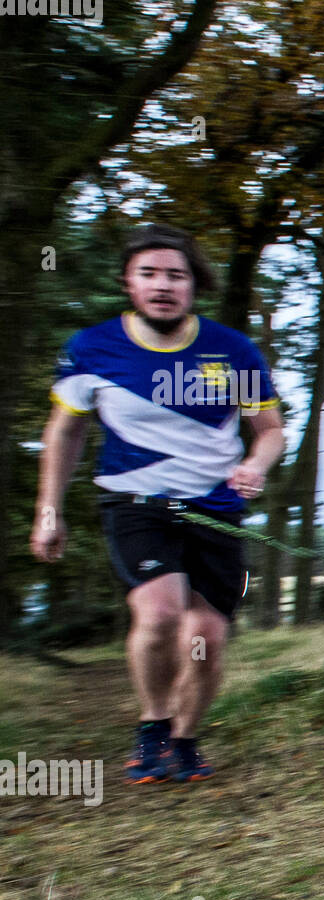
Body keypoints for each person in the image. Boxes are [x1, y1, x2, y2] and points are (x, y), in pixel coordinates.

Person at [30, 223, 285, 783]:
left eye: (176, 274)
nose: (163, 285)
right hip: (136, 505)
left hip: (216, 508)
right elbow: (64, 433)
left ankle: (185, 739)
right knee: (162, 614)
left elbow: (270, 430)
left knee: (207, 638)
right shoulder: (91, 349)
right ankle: (153, 723)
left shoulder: (232, 350)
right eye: (149, 274)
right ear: (129, 283)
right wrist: (49, 510)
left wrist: (254, 466)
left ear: (194, 285)